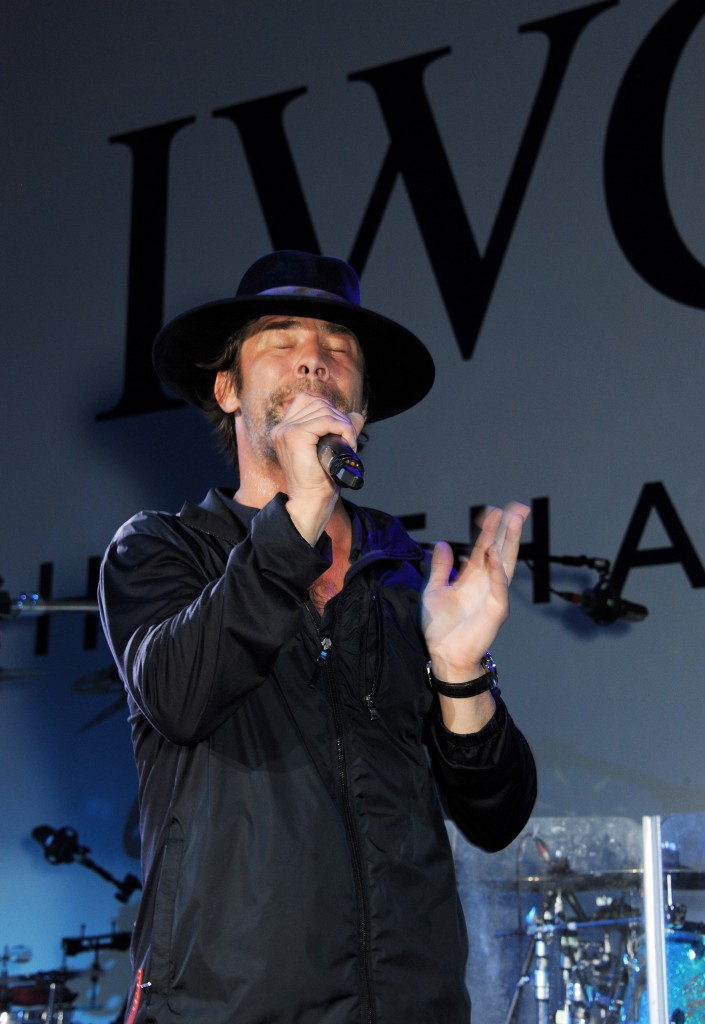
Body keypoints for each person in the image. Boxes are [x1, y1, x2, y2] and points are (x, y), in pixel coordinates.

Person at [99, 250, 537, 1024]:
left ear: (360, 406)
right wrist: (300, 512)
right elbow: (181, 695)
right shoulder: (161, 551)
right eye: (280, 337)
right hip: (226, 1007)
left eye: (338, 347)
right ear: (227, 389)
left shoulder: (408, 578)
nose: (313, 357)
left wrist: (460, 671)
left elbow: (495, 817)